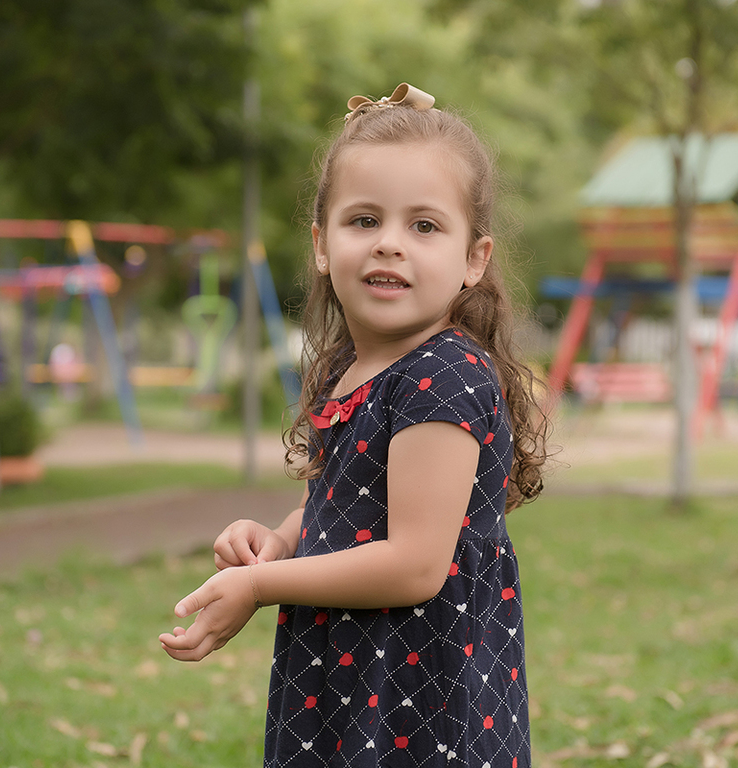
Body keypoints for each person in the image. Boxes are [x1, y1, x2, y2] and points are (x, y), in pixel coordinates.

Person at [160, 83, 549, 767]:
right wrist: (279, 542)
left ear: (474, 259)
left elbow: (414, 565)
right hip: (351, 674)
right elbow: (344, 503)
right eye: (364, 220)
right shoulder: (349, 363)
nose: (389, 244)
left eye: (424, 226)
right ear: (321, 243)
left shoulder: (443, 376)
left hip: (420, 697)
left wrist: (260, 588)